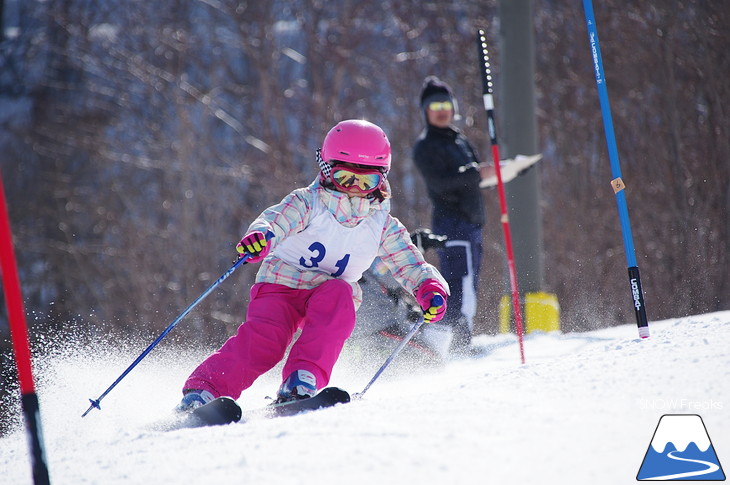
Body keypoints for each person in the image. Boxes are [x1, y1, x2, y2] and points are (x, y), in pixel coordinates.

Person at [177, 119, 449, 410]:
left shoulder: (382, 224)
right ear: (328, 170)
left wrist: (428, 287)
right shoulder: (308, 203)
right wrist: (262, 237)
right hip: (281, 285)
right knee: (266, 343)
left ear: (381, 179)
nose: (354, 188)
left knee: (340, 298)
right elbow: (276, 220)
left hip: (327, 292)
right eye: (346, 178)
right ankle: (204, 390)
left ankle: (301, 381)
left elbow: (409, 263)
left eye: (366, 181)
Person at [412, 76, 485, 354]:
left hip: (472, 222)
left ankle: (458, 341)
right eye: (435, 104)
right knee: (458, 283)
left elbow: (475, 176)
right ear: (426, 110)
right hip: (452, 223)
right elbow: (441, 183)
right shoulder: (426, 146)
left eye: (446, 103)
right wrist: (477, 173)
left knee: (469, 283)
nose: (442, 109)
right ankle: (448, 346)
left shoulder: (459, 140)